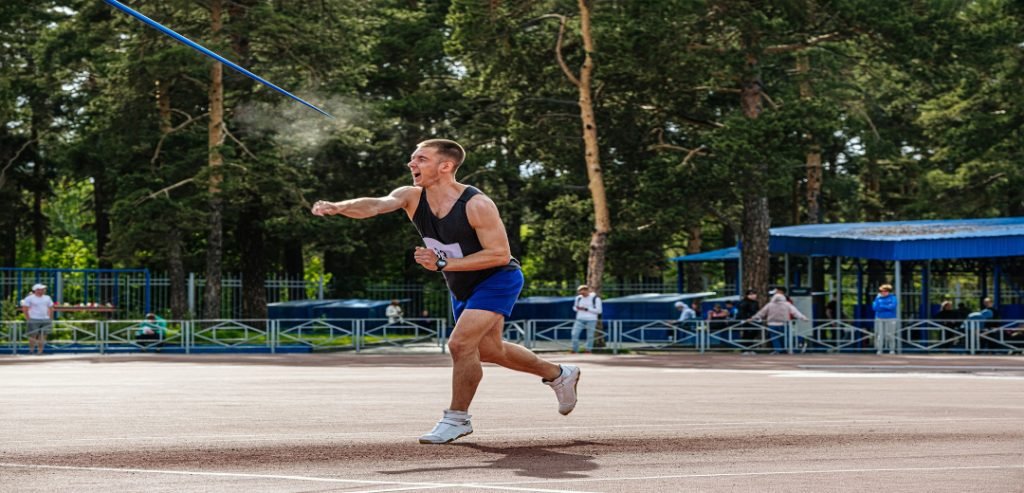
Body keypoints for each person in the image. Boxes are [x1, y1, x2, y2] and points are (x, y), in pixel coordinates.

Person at [311, 138, 579, 445]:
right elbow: (376, 205)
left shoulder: (476, 204)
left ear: (446, 166)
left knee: (460, 344)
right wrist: (338, 207)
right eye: (413, 159)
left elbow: (500, 254)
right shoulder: (411, 196)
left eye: (421, 159)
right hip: (459, 282)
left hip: (497, 278)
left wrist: (442, 262)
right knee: (490, 350)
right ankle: (560, 373)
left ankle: (457, 418)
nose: (412, 164)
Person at [20, 284, 54, 355]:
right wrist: (28, 319)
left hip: (45, 319)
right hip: (33, 318)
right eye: (40, 289)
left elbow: (51, 308)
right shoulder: (30, 298)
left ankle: (40, 351)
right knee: (33, 335)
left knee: (43, 336)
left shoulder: (47, 298)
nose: (42, 291)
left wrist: (50, 318)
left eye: (43, 289)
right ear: (35, 290)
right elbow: (25, 309)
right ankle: (31, 350)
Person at [571, 284, 602, 354]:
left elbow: (599, 311)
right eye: (581, 293)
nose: (582, 294)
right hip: (579, 318)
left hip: (591, 319)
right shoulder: (578, 298)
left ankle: (588, 350)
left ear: (587, 291)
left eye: (584, 293)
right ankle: (574, 349)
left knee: (590, 335)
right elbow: (574, 307)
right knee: (574, 334)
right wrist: (577, 308)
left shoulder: (595, 298)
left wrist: (586, 309)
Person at [872, 283, 899, 354]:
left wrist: (882, 306)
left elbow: (892, 307)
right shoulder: (877, 298)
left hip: (891, 318)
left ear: (889, 291)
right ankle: (879, 350)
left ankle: (892, 350)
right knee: (879, 335)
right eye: (881, 291)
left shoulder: (893, 298)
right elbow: (875, 308)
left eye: (885, 291)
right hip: (879, 318)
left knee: (890, 335)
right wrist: (886, 306)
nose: (883, 293)